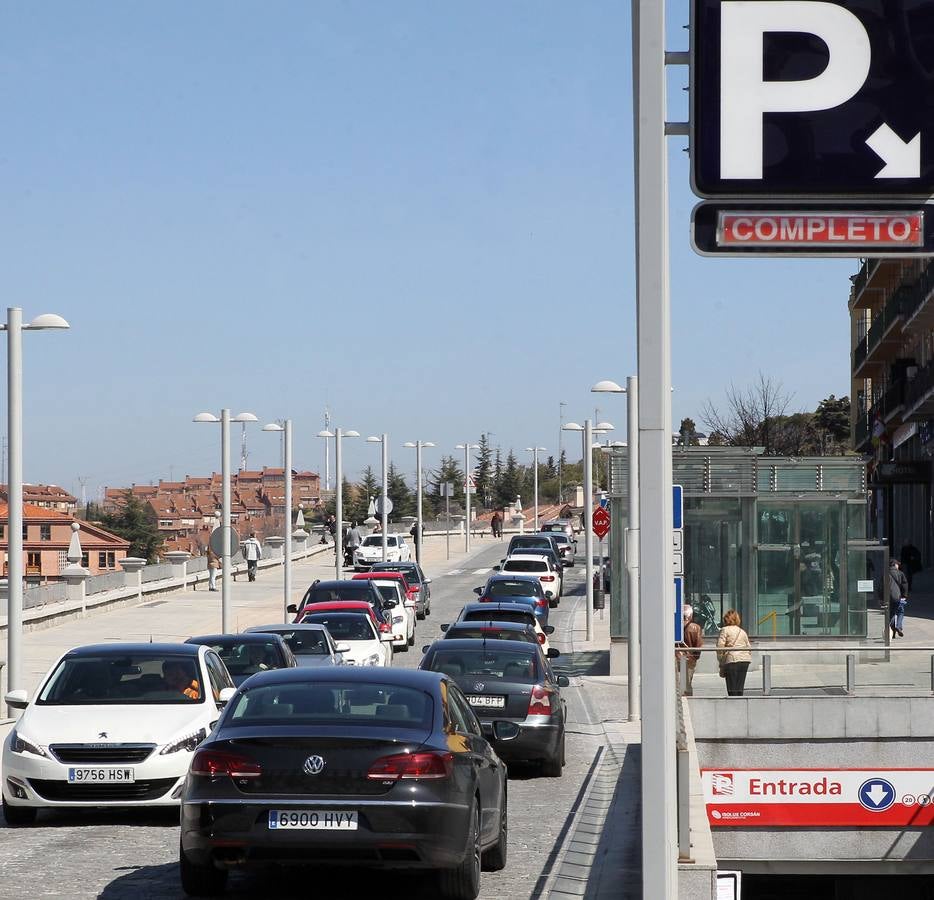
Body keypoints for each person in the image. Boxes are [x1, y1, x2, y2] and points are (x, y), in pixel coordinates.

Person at [717, 609, 752, 697]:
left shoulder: (724, 630)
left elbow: (720, 646)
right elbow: (748, 647)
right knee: (740, 686)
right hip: (745, 660)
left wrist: (721, 660)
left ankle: (733, 706)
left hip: (732, 659)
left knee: (731, 687)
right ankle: (740, 704)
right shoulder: (742, 631)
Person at [677, 604, 704, 696]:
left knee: (681, 682)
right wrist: (695, 657)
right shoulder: (695, 627)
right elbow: (698, 645)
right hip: (689, 657)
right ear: (690, 616)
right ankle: (686, 701)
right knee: (686, 683)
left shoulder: (675, 626)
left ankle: (682, 699)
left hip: (677, 655)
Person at [889, 558, 909, 638]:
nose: (898, 566)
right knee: (900, 612)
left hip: (889, 597)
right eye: (897, 564)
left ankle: (892, 630)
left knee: (891, 613)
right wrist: (904, 596)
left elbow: (881, 586)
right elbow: (905, 585)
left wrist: (881, 598)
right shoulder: (901, 573)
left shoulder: (886, 573)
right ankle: (899, 627)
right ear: (895, 565)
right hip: (898, 597)